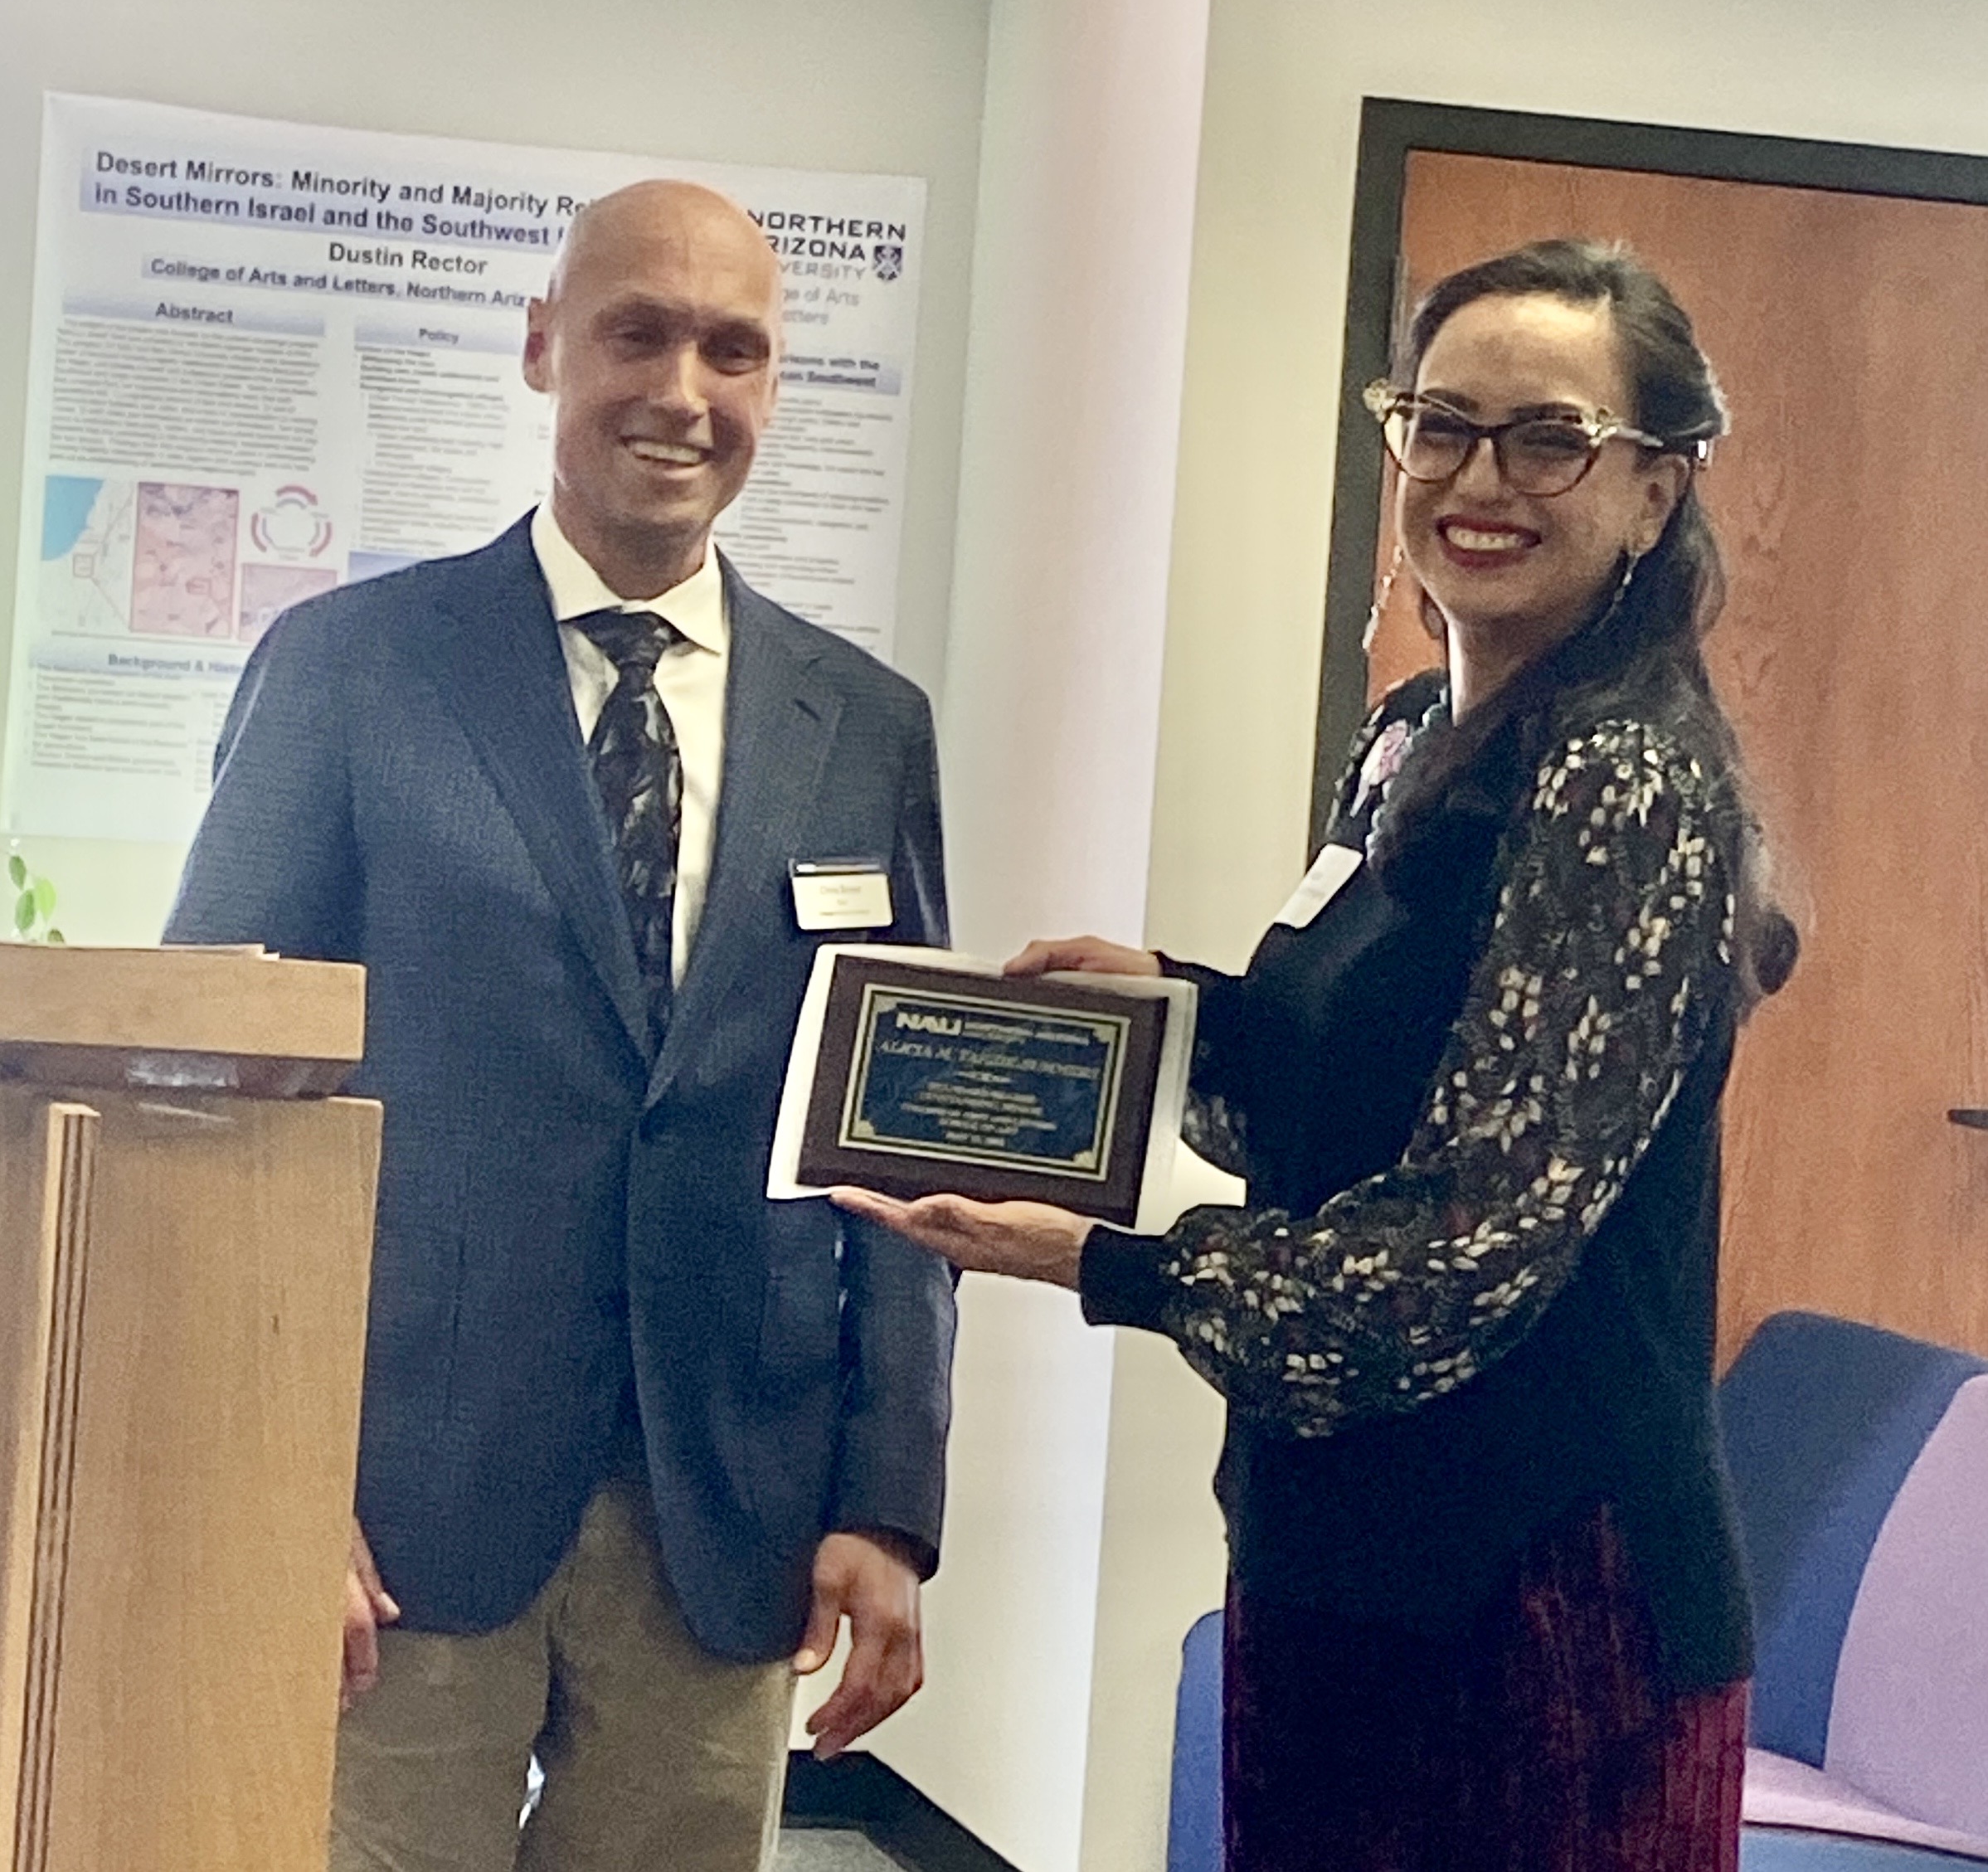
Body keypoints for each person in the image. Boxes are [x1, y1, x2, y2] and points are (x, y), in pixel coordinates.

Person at [837, 239, 1791, 1872]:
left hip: (1539, 1610)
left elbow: (1452, 1260)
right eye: (1440, 422)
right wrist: (1164, 1013)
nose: (1477, 478)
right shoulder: (1411, 734)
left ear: (1651, 488)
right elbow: (1314, 1101)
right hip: (1331, 1553)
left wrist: (1099, 1259)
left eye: (1545, 437)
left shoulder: (1622, 777)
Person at [167, 179, 955, 1872]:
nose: (683, 388)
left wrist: (884, 1502)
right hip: (396, 1510)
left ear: (771, 381)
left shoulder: (864, 726)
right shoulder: (351, 668)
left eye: (731, 348)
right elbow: (219, 1091)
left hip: (723, 1513)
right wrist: (271, 1472)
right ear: (544, 348)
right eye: (637, 333)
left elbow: (893, 1145)